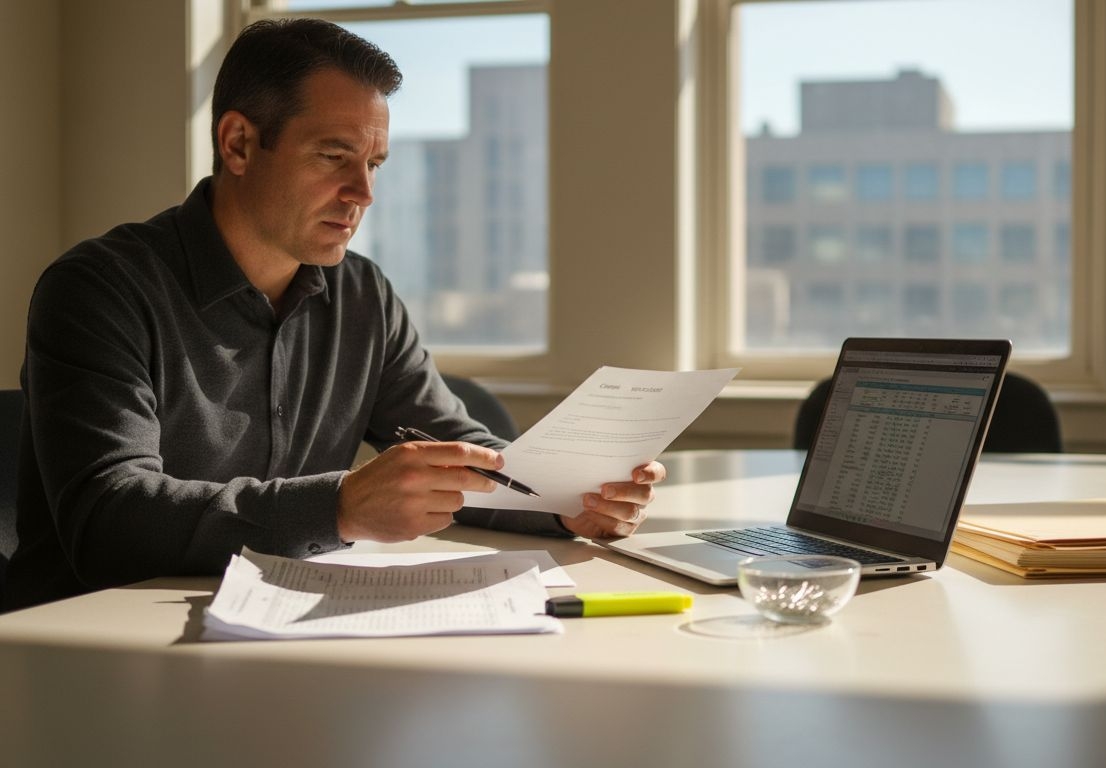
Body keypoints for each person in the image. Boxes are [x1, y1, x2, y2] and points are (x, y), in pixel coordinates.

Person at [1, 18, 663, 612]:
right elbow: (108, 521)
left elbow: (455, 452)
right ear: (238, 143)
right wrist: (339, 505)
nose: (364, 193)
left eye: (374, 163)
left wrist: (567, 501)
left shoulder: (362, 296)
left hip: (273, 638)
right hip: (86, 645)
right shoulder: (98, 291)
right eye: (334, 156)